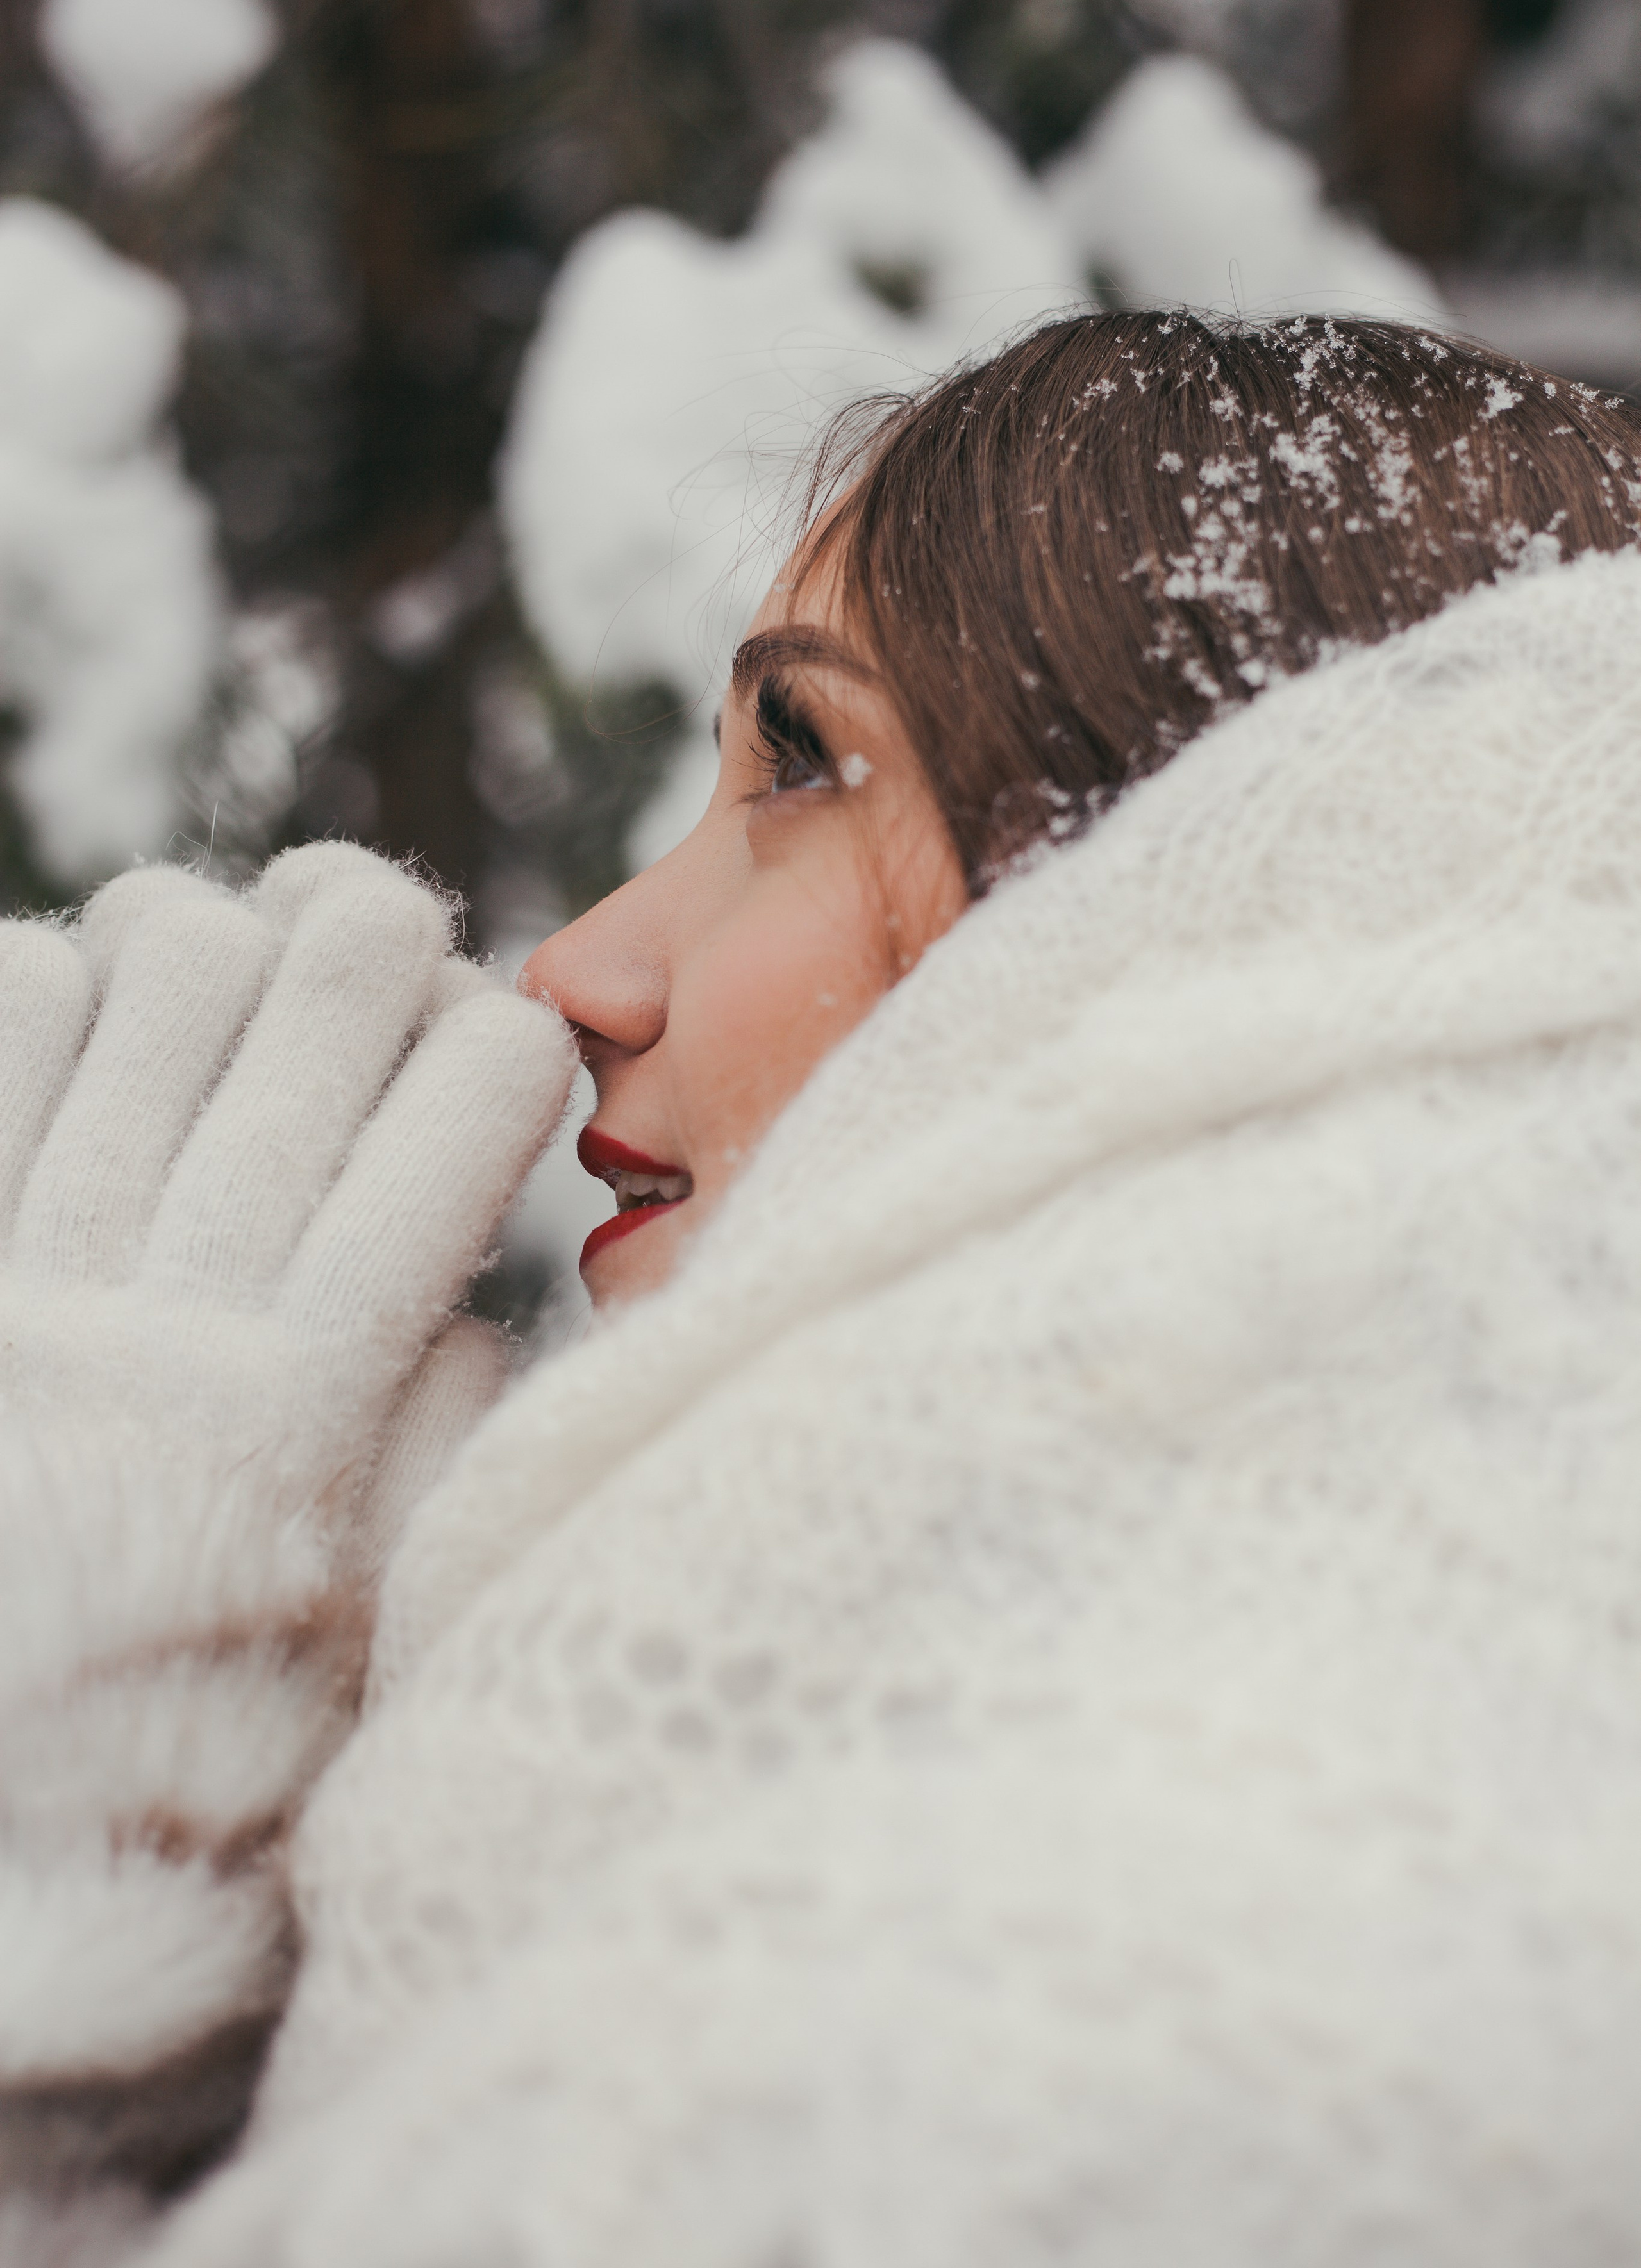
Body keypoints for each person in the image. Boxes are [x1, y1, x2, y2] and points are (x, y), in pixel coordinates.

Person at [8, 309, 1641, 2265]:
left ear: (1261, 862)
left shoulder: (1118, 1994)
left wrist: (61, 1774)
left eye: (802, 755)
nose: (585, 973)